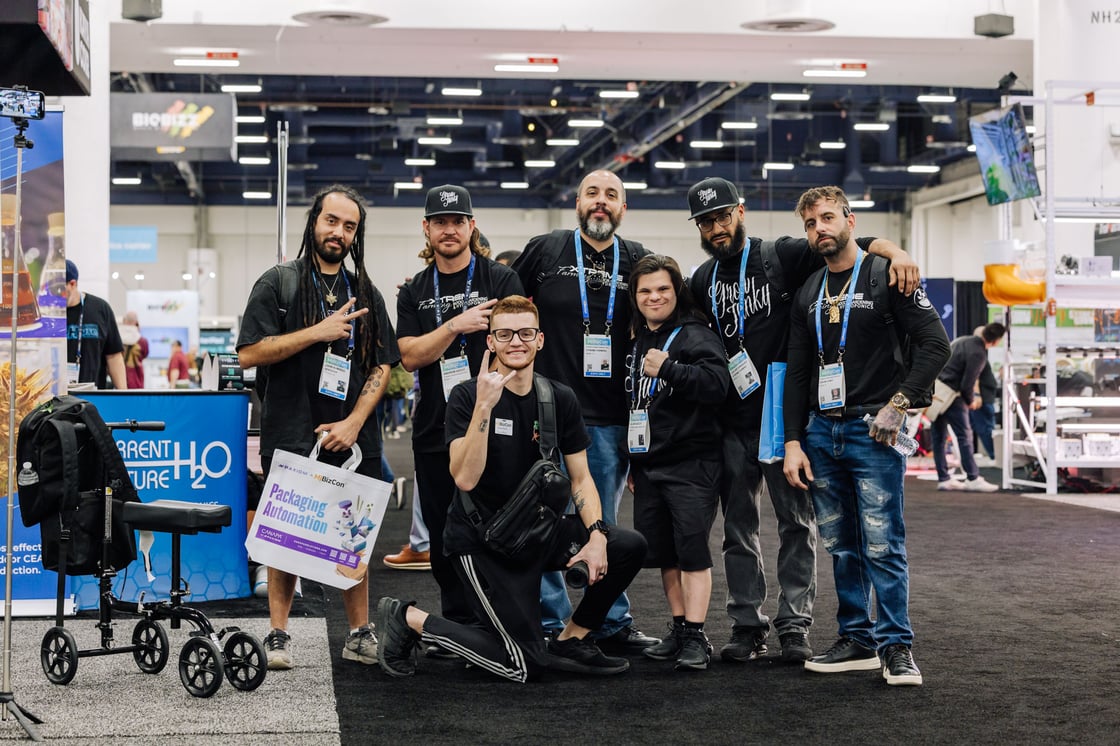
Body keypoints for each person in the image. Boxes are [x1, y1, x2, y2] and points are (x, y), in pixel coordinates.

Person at [685, 177, 921, 664]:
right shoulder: (702, 281)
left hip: (785, 419)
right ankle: (747, 623)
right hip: (732, 422)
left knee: (798, 523)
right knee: (738, 529)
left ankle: (795, 624)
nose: (716, 227)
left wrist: (895, 251)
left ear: (740, 212)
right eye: (706, 221)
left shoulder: (784, 255)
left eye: (722, 216)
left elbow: (847, 241)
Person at [375, 295, 648, 682]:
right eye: (504, 334)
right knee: (523, 664)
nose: (515, 342)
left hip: (535, 531)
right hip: (481, 542)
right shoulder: (467, 396)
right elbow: (465, 478)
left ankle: (572, 639)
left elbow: (581, 478)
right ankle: (408, 617)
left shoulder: (558, 397)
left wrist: (597, 534)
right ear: (491, 342)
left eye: (525, 333)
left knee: (628, 546)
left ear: (540, 340)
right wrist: (485, 408)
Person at [782, 185, 949, 687]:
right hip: (820, 433)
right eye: (810, 224)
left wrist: (898, 406)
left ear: (851, 220)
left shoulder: (887, 275)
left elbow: (934, 345)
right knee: (840, 544)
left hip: (873, 432)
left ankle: (897, 646)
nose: (819, 230)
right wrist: (793, 440)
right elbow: (795, 372)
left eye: (828, 218)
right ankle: (857, 638)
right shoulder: (809, 291)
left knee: (883, 544)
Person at [237, 184, 399, 671]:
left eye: (349, 226)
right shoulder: (279, 283)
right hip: (291, 429)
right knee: (286, 534)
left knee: (355, 537)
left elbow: (383, 365)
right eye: (332, 221)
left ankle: (358, 632)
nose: (339, 232)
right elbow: (249, 353)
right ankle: (279, 634)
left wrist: (354, 421)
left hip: (353, 435)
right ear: (314, 221)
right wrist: (317, 332)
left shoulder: (365, 292)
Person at [511, 169, 659, 653]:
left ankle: (609, 621)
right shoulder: (546, 248)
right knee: (543, 520)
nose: (601, 202)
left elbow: (661, 321)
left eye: (611, 195)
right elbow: (508, 309)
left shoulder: (636, 259)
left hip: (611, 417)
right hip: (544, 414)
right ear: (577, 202)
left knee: (605, 522)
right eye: (592, 194)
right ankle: (552, 621)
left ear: (623, 208)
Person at [395, 184, 525, 637]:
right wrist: (456, 324)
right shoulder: (413, 290)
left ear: (471, 226)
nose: (449, 230)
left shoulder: (499, 280)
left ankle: (502, 622)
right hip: (434, 426)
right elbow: (411, 355)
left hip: (494, 420)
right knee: (442, 532)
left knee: (499, 524)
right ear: (426, 230)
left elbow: (518, 342)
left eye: (457, 222)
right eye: (440, 223)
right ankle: (460, 624)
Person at [625, 255, 730, 671]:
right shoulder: (639, 339)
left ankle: (698, 635)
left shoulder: (694, 335)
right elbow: (635, 400)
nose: (654, 297)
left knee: (691, 551)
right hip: (649, 463)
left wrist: (670, 368)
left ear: (677, 291)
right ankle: (680, 626)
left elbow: (718, 385)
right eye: (645, 290)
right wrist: (634, 461)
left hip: (691, 462)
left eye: (662, 289)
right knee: (665, 552)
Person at [932, 323, 1006, 491]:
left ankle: (943, 478)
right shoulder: (978, 353)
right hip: (953, 396)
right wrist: (971, 400)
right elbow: (968, 382)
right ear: (996, 341)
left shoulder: (961, 341)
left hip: (938, 392)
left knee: (939, 438)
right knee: (964, 437)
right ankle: (972, 477)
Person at [64, 260, 126, 389]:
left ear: (72, 283)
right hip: (55, 399)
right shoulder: (48, 312)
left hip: (93, 396)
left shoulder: (100, 309)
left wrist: (123, 395)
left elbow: (114, 355)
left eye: (59, 289)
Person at [968, 325, 999, 462]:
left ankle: (994, 456)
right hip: (982, 400)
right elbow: (974, 376)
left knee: (983, 428)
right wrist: (977, 395)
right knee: (985, 428)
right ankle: (994, 456)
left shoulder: (978, 352)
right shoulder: (976, 352)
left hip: (984, 398)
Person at [119, 310, 148, 389]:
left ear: (124, 321)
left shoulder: (117, 339)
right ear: (136, 322)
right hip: (137, 377)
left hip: (120, 377)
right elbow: (145, 354)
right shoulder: (142, 341)